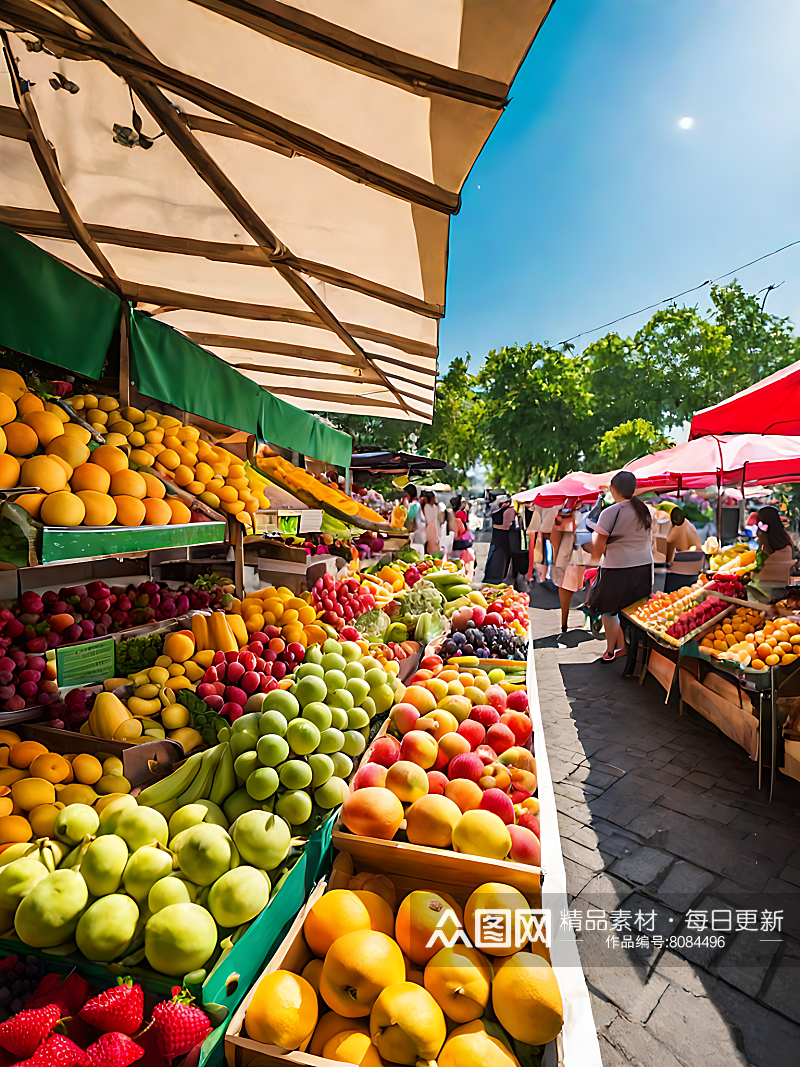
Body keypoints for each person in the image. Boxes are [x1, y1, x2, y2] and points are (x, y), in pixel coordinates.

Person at [588, 471, 653, 662]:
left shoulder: (610, 513)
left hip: (616, 568)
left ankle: (612, 650)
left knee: (608, 611)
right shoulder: (644, 510)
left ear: (612, 489)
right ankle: (633, 649)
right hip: (643, 567)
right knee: (635, 610)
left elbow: (597, 548)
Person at [664, 507, 704, 592]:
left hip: (680, 572)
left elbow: (668, 545)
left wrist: (667, 562)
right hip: (697, 568)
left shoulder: (676, 530)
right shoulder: (690, 526)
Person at [755, 505, 794, 586]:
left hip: (765, 587)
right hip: (782, 584)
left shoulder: (765, 539)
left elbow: (761, 561)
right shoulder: (784, 537)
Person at [484, 497, 516, 583]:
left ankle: (496, 577)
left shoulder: (510, 510)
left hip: (503, 536)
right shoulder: (499, 508)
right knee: (495, 553)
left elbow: (507, 526)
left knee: (500, 555)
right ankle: (492, 575)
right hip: (497, 536)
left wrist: (494, 526)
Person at [421, 490, 440, 555]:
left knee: (429, 544)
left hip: (429, 527)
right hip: (435, 527)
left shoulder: (426, 507)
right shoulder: (436, 507)